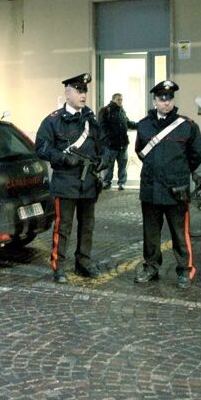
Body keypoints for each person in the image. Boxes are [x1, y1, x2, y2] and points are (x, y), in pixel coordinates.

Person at [35, 72, 106, 284]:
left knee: (87, 226)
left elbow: (105, 145)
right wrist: (63, 159)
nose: (83, 94)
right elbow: (41, 148)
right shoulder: (53, 121)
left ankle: (83, 262)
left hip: (88, 183)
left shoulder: (91, 121)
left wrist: (105, 160)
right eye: (79, 90)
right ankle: (59, 266)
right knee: (63, 227)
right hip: (65, 182)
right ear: (67, 93)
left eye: (85, 91)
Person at [134, 80, 201, 289]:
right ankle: (151, 266)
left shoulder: (188, 126)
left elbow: (196, 155)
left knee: (179, 233)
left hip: (176, 190)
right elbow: (140, 151)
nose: (166, 103)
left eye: (169, 98)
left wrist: (179, 172)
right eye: (162, 99)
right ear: (154, 100)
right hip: (151, 189)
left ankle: (185, 269)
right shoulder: (144, 125)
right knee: (150, 233)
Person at [97, 93, 136, 190]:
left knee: (122, 166)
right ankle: (107, 182)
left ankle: (121, 183)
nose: (120, 101)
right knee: (109, 166)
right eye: (118, 99)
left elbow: (127, 123)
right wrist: (108, 139)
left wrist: (140, 125)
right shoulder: (105, 110)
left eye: (121, 99)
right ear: (113, 100)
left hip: (123, 145)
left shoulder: (121, 111)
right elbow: (102, 127)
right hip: (110, 146)